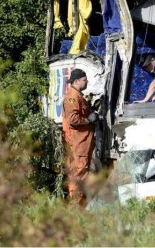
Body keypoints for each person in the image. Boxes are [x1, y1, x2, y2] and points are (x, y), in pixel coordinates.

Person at [62, 68, 99, 207]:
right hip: (78, 143)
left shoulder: (78, 96)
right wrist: (89, 120)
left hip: (82, 143)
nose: (87, 81)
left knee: (80, 173)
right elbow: (73, 119)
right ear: (76, 81)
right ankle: (77, 208)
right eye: (84, 80)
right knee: (79, 174)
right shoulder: (72, 97)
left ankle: (79, 206)